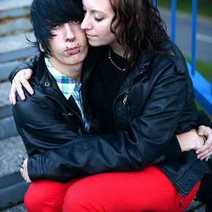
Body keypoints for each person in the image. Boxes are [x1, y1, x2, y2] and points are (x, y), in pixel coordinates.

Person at [9, 0, 212, 211]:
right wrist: (23, 69)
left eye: (97, 17)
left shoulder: (164, 65)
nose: (85, 25)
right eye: (84, 13)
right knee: (39, 198)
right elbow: (54, 53)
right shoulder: (100, 48)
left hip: (169, 166)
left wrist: (42, 165)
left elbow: (142, 145)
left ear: (127, 18)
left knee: (82, 199)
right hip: (121, 153)